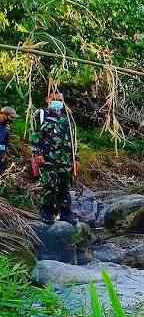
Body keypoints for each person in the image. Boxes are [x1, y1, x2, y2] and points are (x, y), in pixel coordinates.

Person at [31, 92, 79, 225]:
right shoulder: (41, 115)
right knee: (50, 186)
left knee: (64, 187)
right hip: (47, 159)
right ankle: (46, 212)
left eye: (60, 100)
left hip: (65, 160)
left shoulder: (66, 119)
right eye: (54, 99)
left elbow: (73, 141)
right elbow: (34, 134)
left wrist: (76, 159)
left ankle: (65, 215)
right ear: (48, 100)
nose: (57, 102)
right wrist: (37, 154)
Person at [0, 106, 19, 175]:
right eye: (11, 117)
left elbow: (4, 143)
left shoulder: (5, 128)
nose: (12, 119)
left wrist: (3, 151)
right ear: (4, 115)